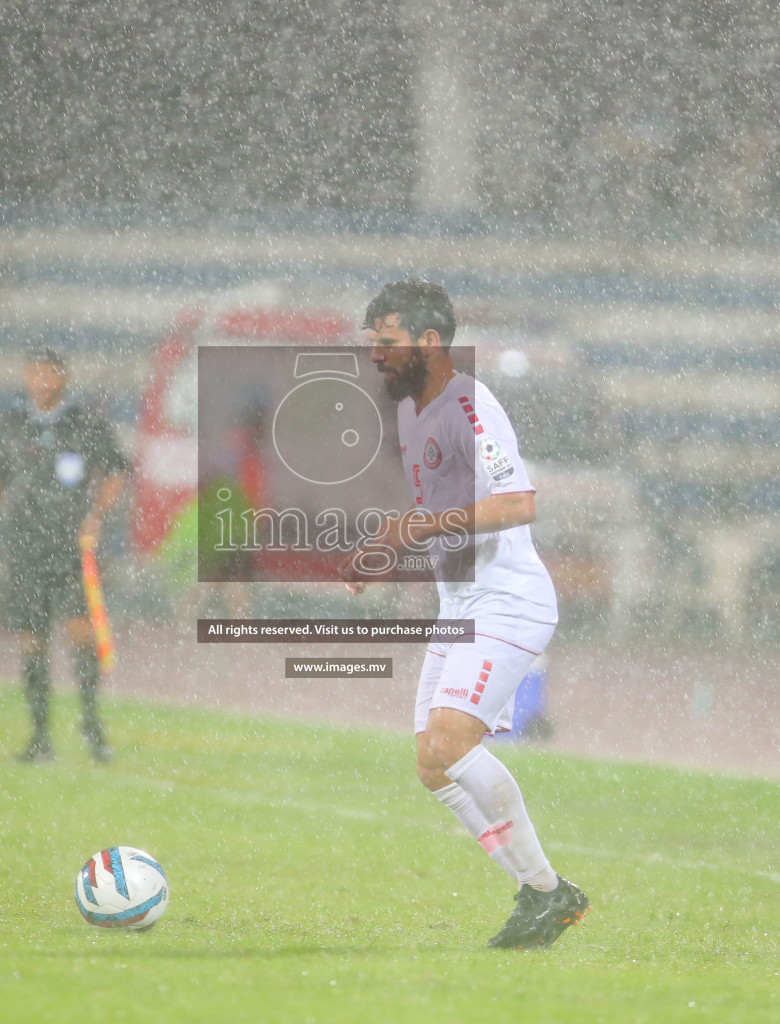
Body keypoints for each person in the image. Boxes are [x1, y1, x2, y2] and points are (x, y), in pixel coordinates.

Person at [343, 279, 588, 948]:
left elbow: (519, 502)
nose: (376, 356)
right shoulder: (414, 413)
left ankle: (548, 892)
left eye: (386, 343)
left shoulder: (468, 402)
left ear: (427, 343)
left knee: (452, 744)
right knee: (432, 764)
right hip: (464, 606)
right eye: (372, 344)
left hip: (508, 602)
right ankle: (543, 894)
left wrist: (412, 530)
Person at [0, 347, 129, 763]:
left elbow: (116, 472)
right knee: (32, 639)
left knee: (80, 633)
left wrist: (97, 514)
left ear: (63, 378)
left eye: (48, 374)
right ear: (26, 378)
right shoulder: (13, 424)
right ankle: (41, 736)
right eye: (34, 374)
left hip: (69, 544)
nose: (40, 381)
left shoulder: (85, 423)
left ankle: (92, 725)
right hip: (25, 544)